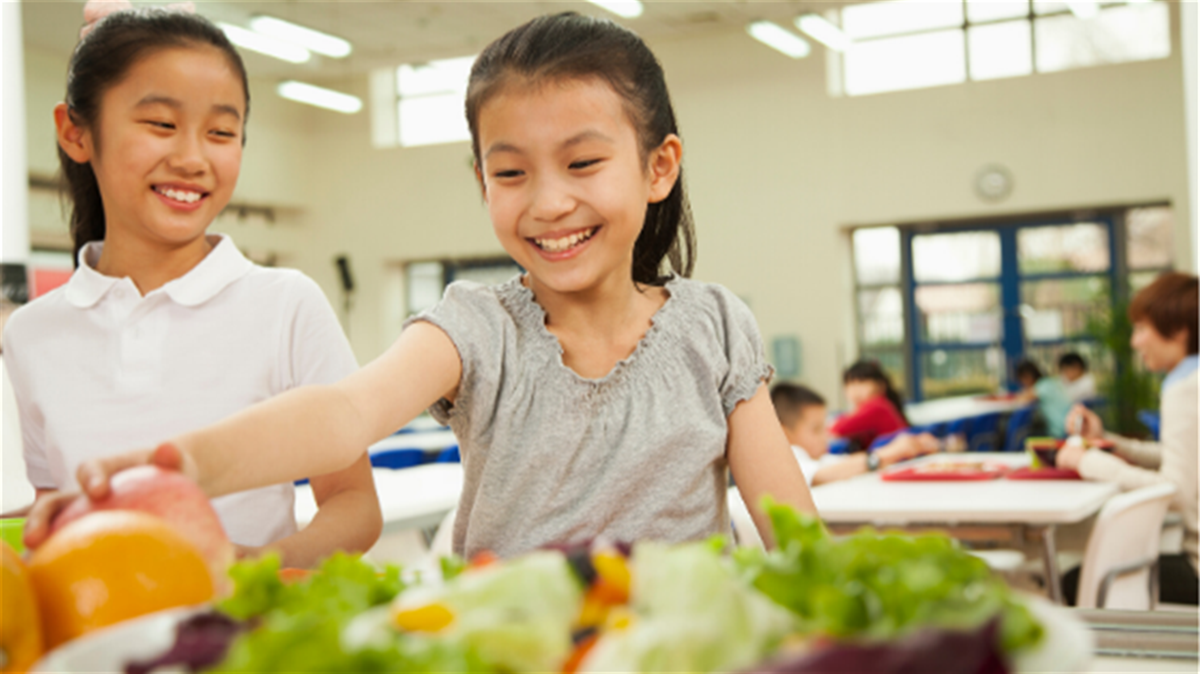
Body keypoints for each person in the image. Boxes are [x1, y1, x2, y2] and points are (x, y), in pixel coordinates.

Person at [25, 12, 815, 559]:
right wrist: (176, 464)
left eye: (582, 164)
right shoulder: (475, 327)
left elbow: (791, 532)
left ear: (658, 167)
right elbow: (342, 414)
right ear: (482, 182)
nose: (548, 202)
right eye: (510, 172)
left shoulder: (713, 325)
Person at [4, 3, 381, 568]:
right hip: (96, 637)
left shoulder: (285, 304)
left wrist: (260, 568)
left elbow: (353, 503)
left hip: (239, 639)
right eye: (161, 125)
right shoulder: (32, 332)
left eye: (222, 132)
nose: (192, 158)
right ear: (75, 132)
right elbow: (49, 507)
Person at [1056, 272, 1198, 605]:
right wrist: (1109, 441)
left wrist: (1088, 461)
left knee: (1073, 580)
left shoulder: (1186, 388)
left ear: (1179, 331)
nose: (1135, 342)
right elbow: (1185, 458)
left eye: (1142, 329)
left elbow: (1175, 492)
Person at [771, 383, 937, 486]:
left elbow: (846, 464)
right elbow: (820, 475)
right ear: (784, 434)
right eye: (816, 429)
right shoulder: (788, 458)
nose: (825, 436)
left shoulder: (818, 458)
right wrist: (889, 453)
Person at [828, 360, 909, 450]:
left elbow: (837, 429)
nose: (855, 389)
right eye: (849, 384)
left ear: (879, 385)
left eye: (861, 383)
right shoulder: (881, 404)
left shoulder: (877, 406)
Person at [1013, 358, 1067, 438]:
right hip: (1065, 428)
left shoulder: (1042, 386)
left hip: (1059, 432)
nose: (1022, 384)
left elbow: (1021, 399)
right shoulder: (1049, 382)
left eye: (1021, 380)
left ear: (1028, 376)